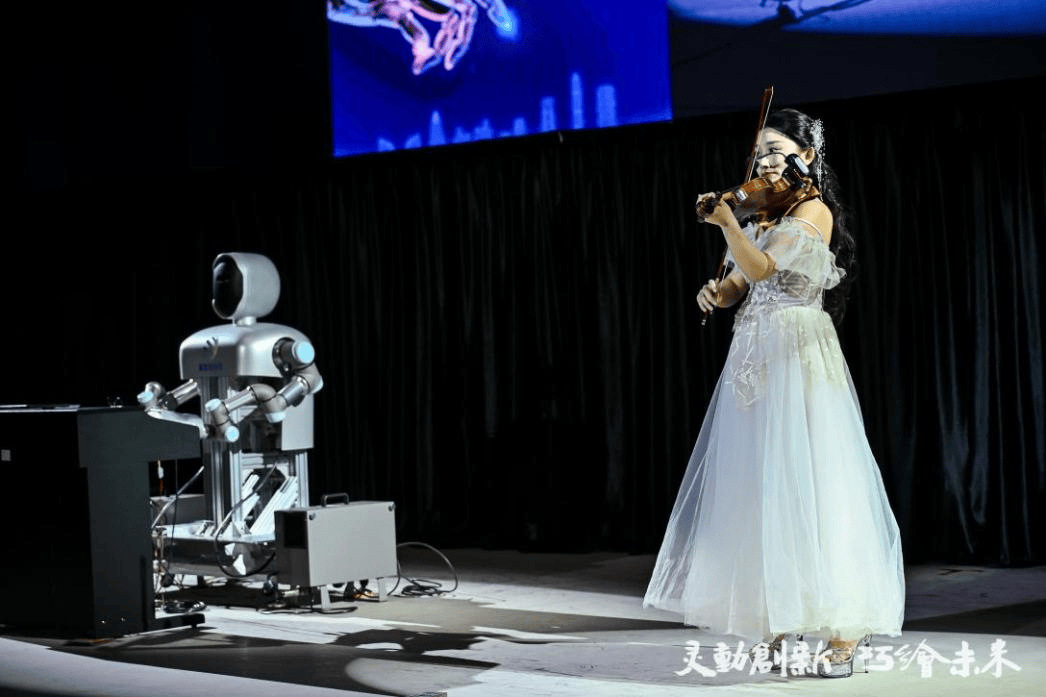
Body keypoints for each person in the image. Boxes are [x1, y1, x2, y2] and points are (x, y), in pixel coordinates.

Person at [643, 109, 905, 678]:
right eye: (759, 150)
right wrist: (714, 293)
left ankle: (844, 630)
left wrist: (727, 224)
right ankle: (780, 618)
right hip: (755, 356)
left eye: (776, 149)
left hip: (797, 354)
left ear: (806, 156)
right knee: (763, 485)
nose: (763, 160)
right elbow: (739, 285)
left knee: (817, 480)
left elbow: (763, 269)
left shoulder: (813, 211)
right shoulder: (764, 216)